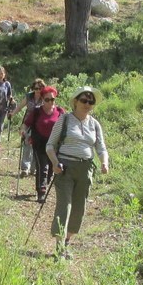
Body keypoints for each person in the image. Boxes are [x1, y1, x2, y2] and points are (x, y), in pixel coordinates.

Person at [46, 86, 109, 259]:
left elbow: (101, 147)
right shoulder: (65, 120)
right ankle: (59, 248)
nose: (87, 104)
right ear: (75, 102)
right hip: (65, 168)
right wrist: (55, 162)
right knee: (64, 206)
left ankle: (66, 242)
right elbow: (50, 145)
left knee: (79, 208)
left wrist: (104, 162)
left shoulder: (95, 124)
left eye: (91, 101)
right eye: (84, 100)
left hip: (86, 169)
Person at [22, 85, 64, 201]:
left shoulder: (60, 112)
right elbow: (27, 123)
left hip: (55, 144)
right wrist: (23, 130)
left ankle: (44, 184)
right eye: (47, 99)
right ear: (42, 99)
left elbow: (66, 127)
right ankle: (41, 191)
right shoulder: (37, 111)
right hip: (39, 142)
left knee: (51, 167)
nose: (50, 102)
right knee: (42, 166)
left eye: (52, 99)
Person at [18, 79, 46, 176]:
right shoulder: (29, 96)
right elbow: (20, 106)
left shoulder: (45, 98)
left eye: (40, 88)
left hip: (40, 124)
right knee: (27, 144)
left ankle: (34, 168)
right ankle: (25, 168)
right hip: (28, 123)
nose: (38, 90)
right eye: (36, 88)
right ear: (33, 88)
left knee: (37, 146)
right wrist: (12, 113)